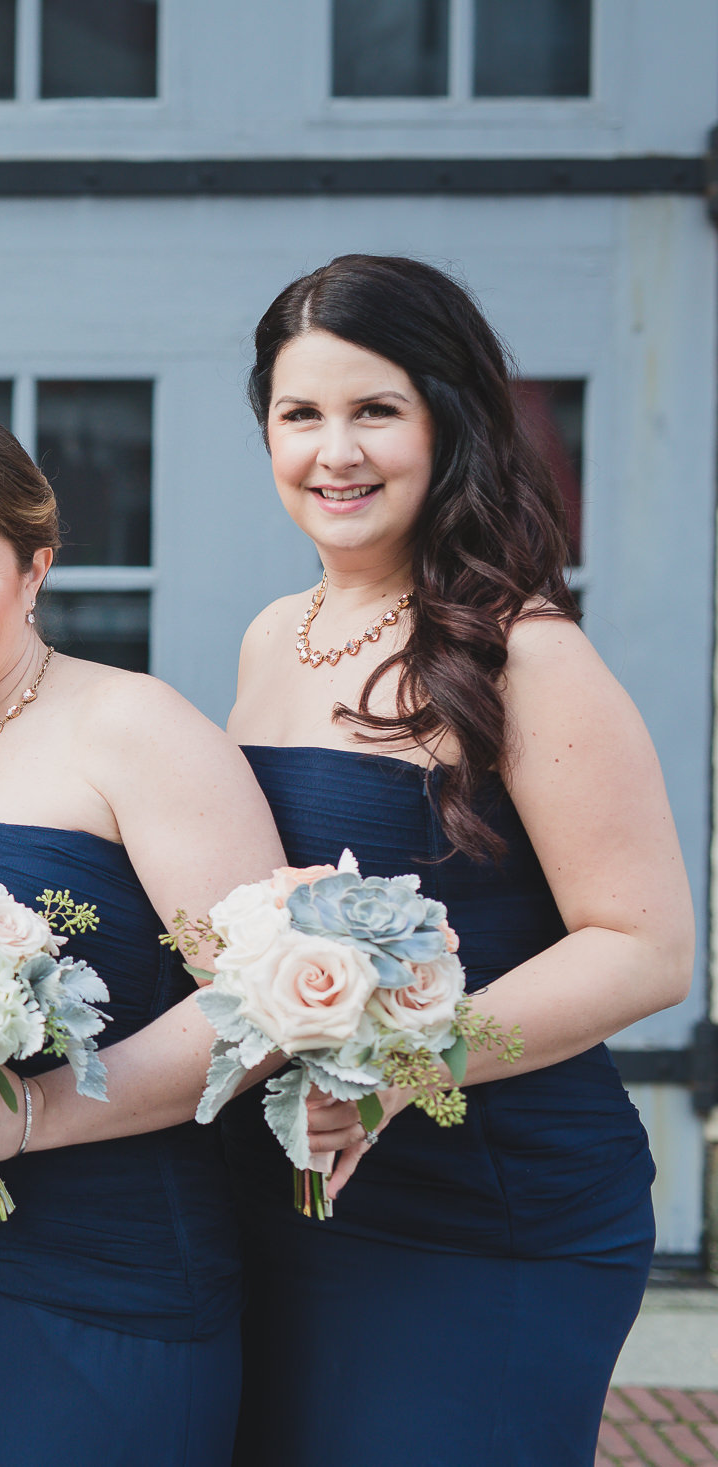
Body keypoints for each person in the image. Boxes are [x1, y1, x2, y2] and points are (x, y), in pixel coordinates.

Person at [224, 254, 690, 1465]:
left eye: (375, 409)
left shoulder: (522, 655)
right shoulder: (276, 635)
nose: (335, 451)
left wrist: (401, 1067)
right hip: (306, 1195)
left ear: (449, 420)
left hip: (495, 1211)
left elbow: (645, 950)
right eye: (300, 414)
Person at [0, 417, 286, 1464]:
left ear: (34, 569)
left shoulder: (132, 726)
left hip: (100, 1269)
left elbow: (264, 1001)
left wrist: (35, 1112)